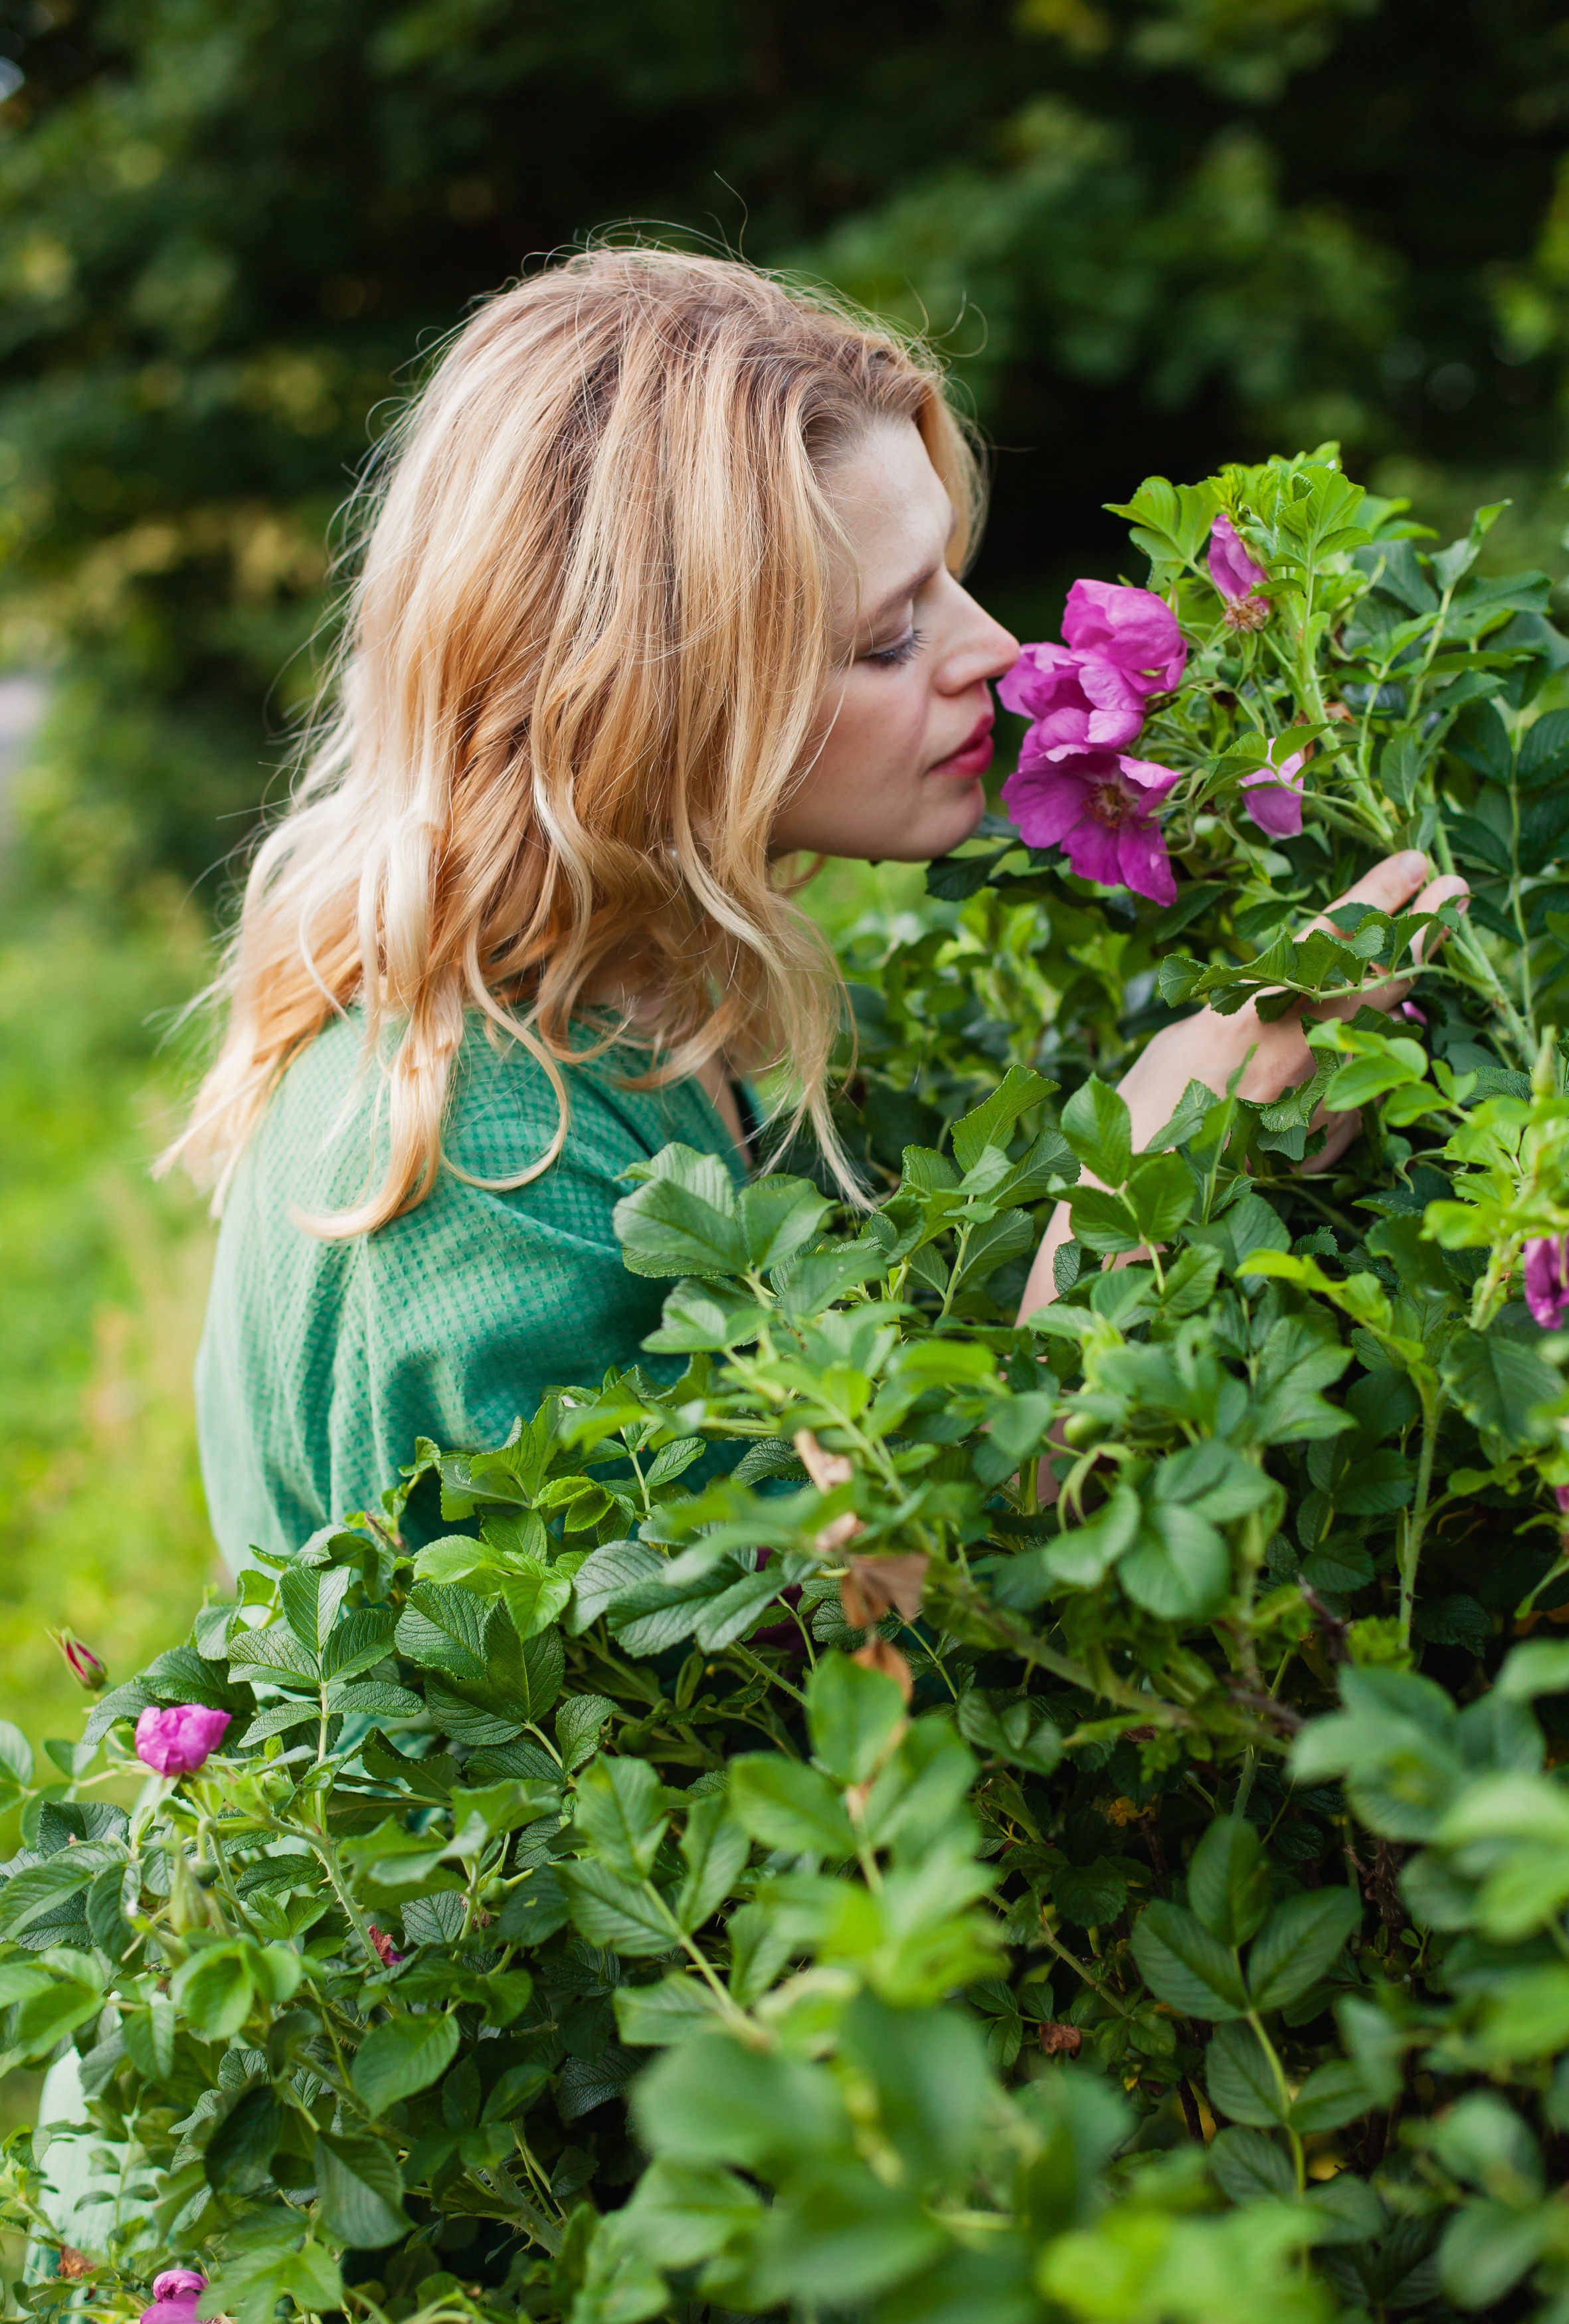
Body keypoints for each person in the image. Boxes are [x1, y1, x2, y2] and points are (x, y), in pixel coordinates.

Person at [164, 244, 1463, 1581]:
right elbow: (778, 1707)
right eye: (889, 636)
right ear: (652, 703)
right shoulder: (479, 1169)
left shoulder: (625, 994)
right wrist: (1139, 1185)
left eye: (948, 577)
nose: (997, 654)